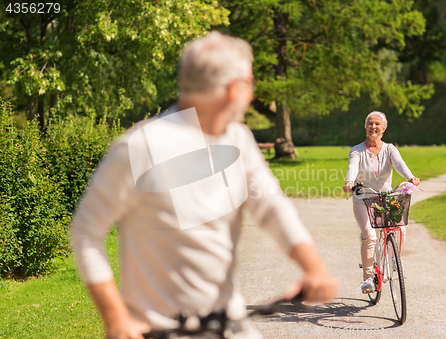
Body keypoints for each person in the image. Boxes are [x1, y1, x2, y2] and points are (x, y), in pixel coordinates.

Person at [71, 31, 339, 339]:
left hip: (230, 323)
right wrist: (115, 318)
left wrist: (313, 267)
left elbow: (271, 206)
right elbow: (86, 232)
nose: (253, 92)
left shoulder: (238, 138)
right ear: (234, 89)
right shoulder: (140, 146)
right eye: (251, 83)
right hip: (159, 330)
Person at [342, 111, 420, 293]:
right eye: (370, 123)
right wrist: (349, 182)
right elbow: (352, 167)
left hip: (386, 198)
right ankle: (368, 278)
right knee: (370, 235)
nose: (373, 127)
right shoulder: (357, 150)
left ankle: (394, 258)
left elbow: (400, 164)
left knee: (400, 228)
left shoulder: (390, 149)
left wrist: (410, 177)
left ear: (383, 128)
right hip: (363, 198)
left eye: (377, 124)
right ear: (365, 127)